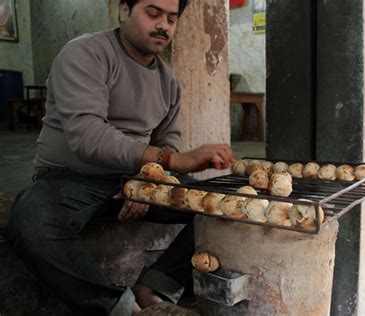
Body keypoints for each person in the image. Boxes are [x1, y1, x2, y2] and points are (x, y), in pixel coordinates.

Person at [8, 0, 233, 315]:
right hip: (71, 178)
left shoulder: (168, 80)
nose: (163, 26)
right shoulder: (85, 54)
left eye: (172, 18)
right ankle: (120, 309)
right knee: (31, 219)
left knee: (224, 206)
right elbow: (87, 135)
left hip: (135, 177)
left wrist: (145, 178)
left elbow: (166, 138)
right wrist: (170, 161)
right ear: (124, 10)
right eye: (152, 14)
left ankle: (156, 285)